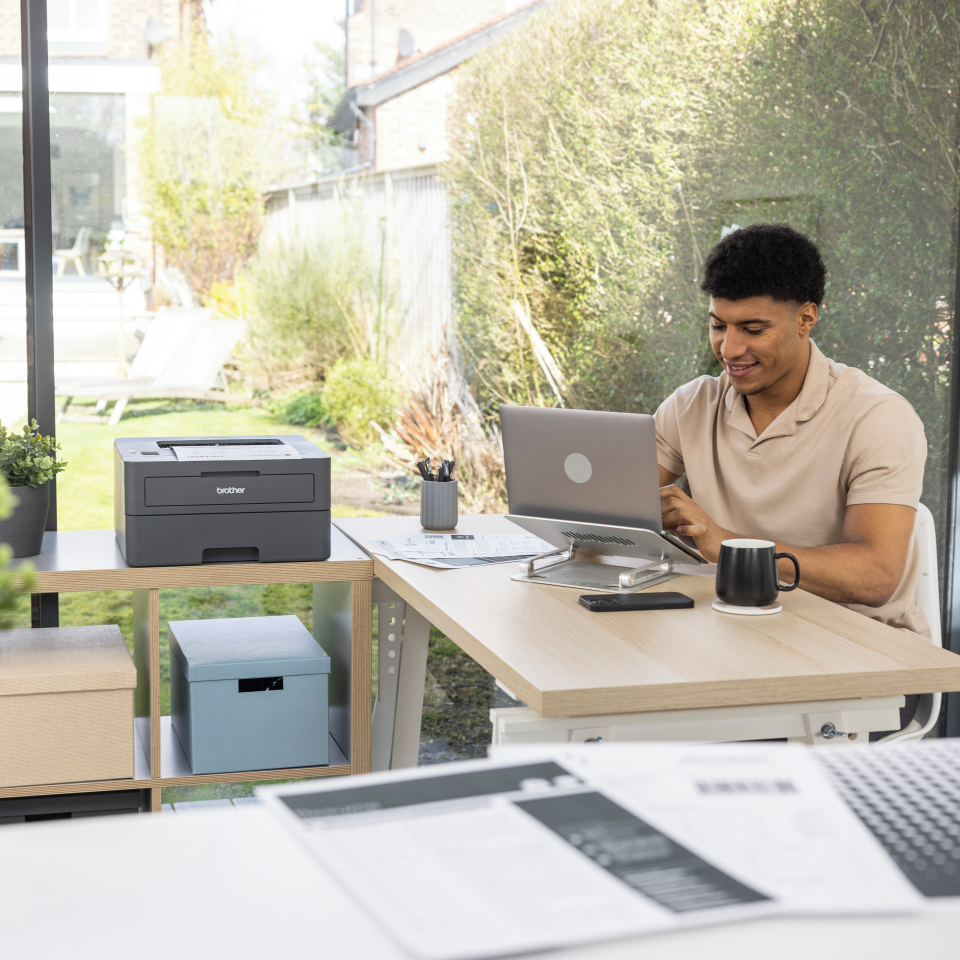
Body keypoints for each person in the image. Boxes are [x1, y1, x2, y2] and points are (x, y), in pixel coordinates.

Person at [656, 223, 929, 636]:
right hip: (735, 630)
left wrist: (726, 545)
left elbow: (875, 576)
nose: (729, 349)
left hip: (860, 646)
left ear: (805, 318)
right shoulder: (691, 405)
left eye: (753, 330)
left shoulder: (877, 416)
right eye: (718, 326)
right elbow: (612, 510)